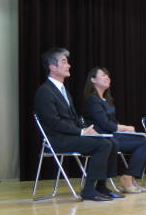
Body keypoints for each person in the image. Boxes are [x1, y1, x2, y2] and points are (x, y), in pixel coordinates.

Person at [33, 48, 121, 202]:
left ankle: (101, 186)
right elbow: (54, 122)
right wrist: (81, 132)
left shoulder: (63, 90)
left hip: (70, 135)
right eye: (64, 62)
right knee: (103, 145)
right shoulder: (45, 91)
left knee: (111, 142)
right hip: (58, 138)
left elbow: (74, 118)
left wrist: (85, 129)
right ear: (52, 67)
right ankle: (89, 190)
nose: (69, 65)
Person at [83, 66, 146, 194]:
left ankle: (130, 177)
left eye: (108, 76)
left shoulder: (107, 100)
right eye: (103, 75)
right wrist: (126, 127)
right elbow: (105, 124)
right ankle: (127, 178)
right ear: (93, 80)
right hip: (103, 138)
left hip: (113, 136)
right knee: (145, 143)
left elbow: (113, 123)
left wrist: (124, 130)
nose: (107, 78)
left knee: (145, 141)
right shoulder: (92, 100)